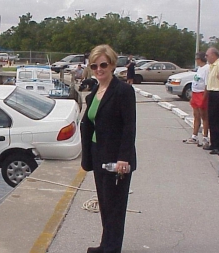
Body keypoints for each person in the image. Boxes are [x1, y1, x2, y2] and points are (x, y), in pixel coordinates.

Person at [80, 44, 136, 253]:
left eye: (103, 64)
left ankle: (112, 248)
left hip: (116, 158)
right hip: (98, 153)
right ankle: (106, 245)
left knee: (115, 207)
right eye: (94, 65)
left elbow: (129, 127)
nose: (99, 69)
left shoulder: (123, 91)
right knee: (104, 203)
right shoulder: (95, 91)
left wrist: (124, 158)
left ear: (112, 65)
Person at [183, 52, 209, 147]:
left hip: (202, 93)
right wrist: (193, 96)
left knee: (204, 116)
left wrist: (204, 97)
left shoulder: (207, 69)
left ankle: (205, 137)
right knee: (196, 115)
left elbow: (207, 85)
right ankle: (194, 136)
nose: (196, 61)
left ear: (200, 59)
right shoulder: (199, 69)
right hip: (195, 93)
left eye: (197, 59)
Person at [204, 47, 219, 154]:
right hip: (211, 93)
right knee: (211, 119)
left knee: (217, 120)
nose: (206, 57)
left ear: (214, 55)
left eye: (207, 55)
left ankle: (218, 145)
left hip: (218, 93)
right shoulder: (211, 66)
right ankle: (213, 143)